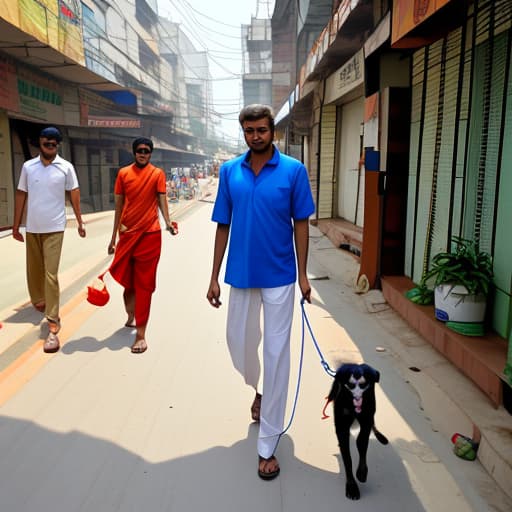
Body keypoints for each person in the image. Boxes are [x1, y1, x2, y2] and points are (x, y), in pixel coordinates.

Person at [206, 104, 315, 480]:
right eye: (249, 130)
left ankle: (268, 443)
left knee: (277, 353)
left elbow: (301, 224)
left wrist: (303, 275)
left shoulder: (293, 171)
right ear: (243, 133)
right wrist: (213, 276)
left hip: (281, 275)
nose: (256, 136)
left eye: (262, 130)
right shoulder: (229, 171)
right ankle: (258, 389)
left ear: (273, 131)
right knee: (239, 342)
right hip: (240, 273)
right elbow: (223, 224)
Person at [12, 126, 86, 353]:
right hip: (33, 227)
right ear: (40, 143)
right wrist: (16, 226)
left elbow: (74, 192)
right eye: (46, 142)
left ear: (58, 145)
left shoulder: (66, 168)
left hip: (55, 227)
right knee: (34, 271)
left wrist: (80, 221)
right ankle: (40, 300)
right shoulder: (28, 167)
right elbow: (21, 194)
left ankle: (53, 321)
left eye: (54, 143)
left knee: (50, 274)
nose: (50, 146)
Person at [108, 137, 177, 354]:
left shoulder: (157, 174)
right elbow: (118, 208)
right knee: (128, 282)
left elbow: (161, 200)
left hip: (149, 236)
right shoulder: (123, 174)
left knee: (144, 285)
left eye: (147, 151)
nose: (143, 153)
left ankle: (140, 334)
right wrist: (113, 238)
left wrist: (168, 222)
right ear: (134, 152)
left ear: (151, 153)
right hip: (127, 235)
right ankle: (131, 315)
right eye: (139, 150)